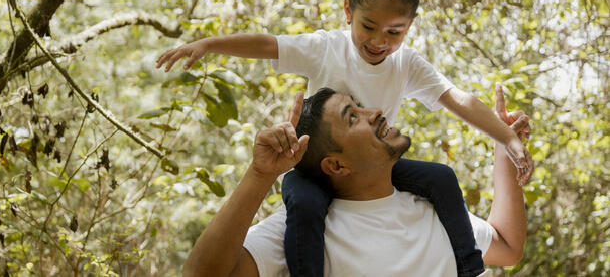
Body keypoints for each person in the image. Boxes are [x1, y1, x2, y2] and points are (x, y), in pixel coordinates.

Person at [157, 0, 533, 275]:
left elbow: (458, 98)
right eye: (369, 26)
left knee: (442, 177)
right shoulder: (325, 47)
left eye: (394, 32)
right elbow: (268, 44)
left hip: (370, 169)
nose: (378, 41)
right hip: (311, 170)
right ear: (348, 11)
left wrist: (506, 141)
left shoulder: (408, 65)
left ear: (410, 26)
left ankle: (469, 267)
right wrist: (209, 44)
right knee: (304, 205)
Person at [183, 87, 527, 277]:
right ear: (335, 164)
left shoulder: (434, 206)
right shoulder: (306, 228)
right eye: (353, 117)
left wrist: (503, 146)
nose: (375, 112)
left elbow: (508, 247)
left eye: (360, 105)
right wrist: (260, 174)